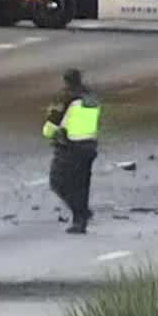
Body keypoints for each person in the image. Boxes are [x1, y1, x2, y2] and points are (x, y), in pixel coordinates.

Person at [43, 68, 101, 234]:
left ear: (66, 81)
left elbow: (53, 122)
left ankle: (81, 213)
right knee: (82, 184)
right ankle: (80, 220)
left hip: (70, 147)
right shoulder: (91, 97)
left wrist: (49, 133)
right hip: (89, 146)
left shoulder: (65, 97)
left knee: (58, 183)